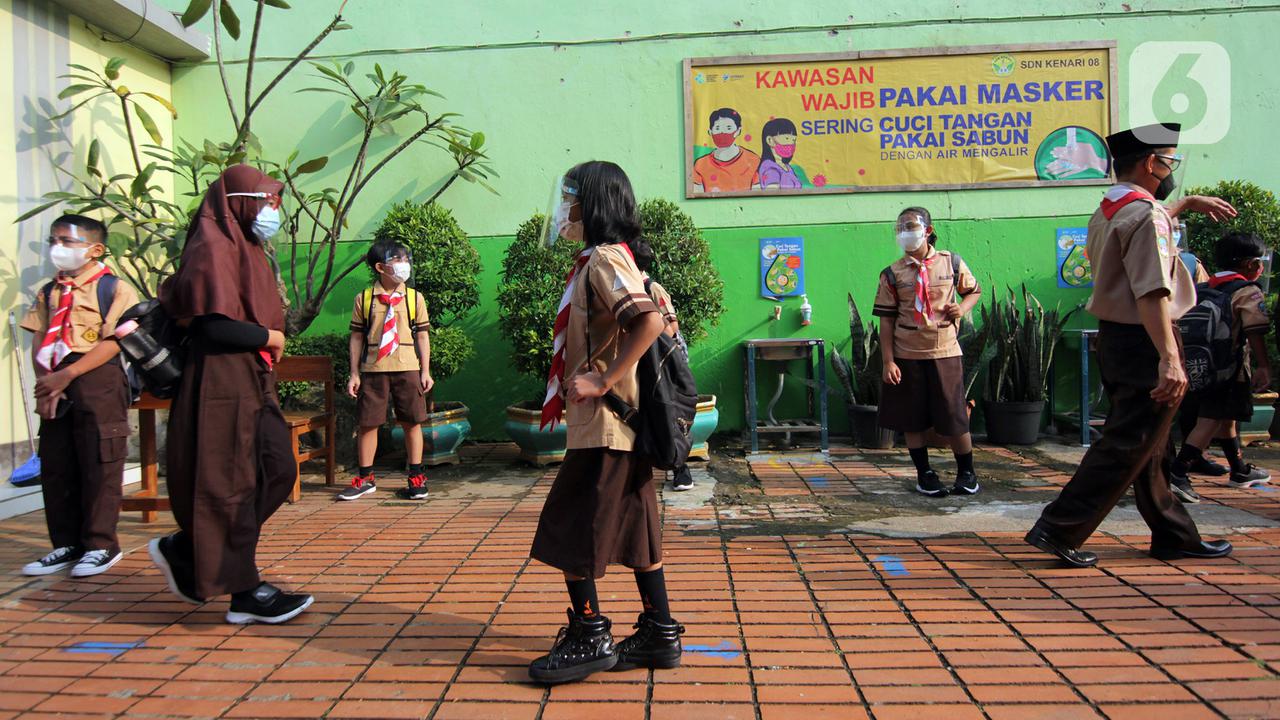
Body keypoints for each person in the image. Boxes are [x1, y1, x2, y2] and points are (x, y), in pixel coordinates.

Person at [1025, 122, 1238, 568]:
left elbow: (1139, 233)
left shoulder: (1110, 207)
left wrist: (1182, 206)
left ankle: (1174, 534)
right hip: (1145, 337)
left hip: (1118, 337)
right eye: (1169, 160)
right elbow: (1152, 291)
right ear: (1150, 163)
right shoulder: (1147, 215)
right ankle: (1060, 526)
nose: (1170, 169)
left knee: (1152, 444)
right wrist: (1170, 357)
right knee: (1128, 441)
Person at [528, 161, 683, 684]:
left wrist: (601, 380)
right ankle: (660, 631)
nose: (564, 207)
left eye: (571, 196)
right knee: (639, 530)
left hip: (608, 425)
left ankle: (590, 635)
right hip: (622, 427)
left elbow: (649, 322)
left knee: (569, 525)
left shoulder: (603, 259)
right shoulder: (613, 259)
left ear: (593, 204)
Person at [149, 164, 313, 625]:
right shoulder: (211, 248)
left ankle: (190, 548)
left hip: (250, 378)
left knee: (278, 467)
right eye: (268, 201)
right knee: (228, 482)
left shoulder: (247, 248)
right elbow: (212, 323)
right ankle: (244, 591)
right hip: (218, 382)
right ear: (239, 201)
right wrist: (270, 338)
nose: (274, 211)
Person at [19, 214, 139, 577]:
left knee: (100, 462)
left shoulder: (113, 289)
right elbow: (38, 335)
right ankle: (66, 543)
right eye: (54, 240)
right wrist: (46, 382)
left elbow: (116, 340)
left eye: (67, 242)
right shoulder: (49, 291)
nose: (58, 248)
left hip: (95, 378)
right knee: (58, 465)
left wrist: (68, 374)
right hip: (55, 379)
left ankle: (101, 544)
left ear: (94, 248)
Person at [872, 207, 982, 497]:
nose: (906, 232)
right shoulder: (891, 274)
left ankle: (966, 473)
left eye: (911, 226)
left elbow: (973, 291)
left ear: (928, 230)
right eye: (901, 228)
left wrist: (963, 308)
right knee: (912, 418)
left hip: (945, 350)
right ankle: (925, 474)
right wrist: (888, 361)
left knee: (955, 416)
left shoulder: (951, 263)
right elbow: (886, 321)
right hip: (908, 355)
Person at [1169, 231, 1272, 502]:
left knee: (1226, 418)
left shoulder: (1204, 287)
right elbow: (1255, 330)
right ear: (1251, 265)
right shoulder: (1247, 290)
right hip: (1231, 368)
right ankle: (1178, 473)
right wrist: (1263, 366)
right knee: (1211, 420)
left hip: (1200, 366)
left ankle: (1239, 470)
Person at [342, 239, 433, 501]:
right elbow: (357, 337)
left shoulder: (415, 298)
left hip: (407, 367)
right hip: (374, 368)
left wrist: (425, 371)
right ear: (380, 267)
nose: (404, 265)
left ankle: (416, 476)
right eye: (397, 259)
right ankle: (366, 477)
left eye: (406, 259)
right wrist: (354, 373)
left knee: (412, 421)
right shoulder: (365, 298)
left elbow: (423, 336)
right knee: (368, 422)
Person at [629, 238, 694, 491]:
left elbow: (671, 329)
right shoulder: (630, 287)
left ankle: (681, 468)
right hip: (645, 361)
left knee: (670, 413)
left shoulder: (651, 288)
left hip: (664, 363)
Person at [691, 107, 760, 193]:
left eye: (728, 128)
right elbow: (697, 195)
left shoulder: (753, 160)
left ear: (738, 131)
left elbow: (758, 195)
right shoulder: (700, 164)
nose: (722, 132)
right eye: (717, 128)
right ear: (710, 131)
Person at [758, 117, 802, 190]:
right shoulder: (770, 168)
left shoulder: (787, 167)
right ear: (770, 140)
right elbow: (772, 194)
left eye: (793, 140)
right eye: (787, 139)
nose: (791, 143)